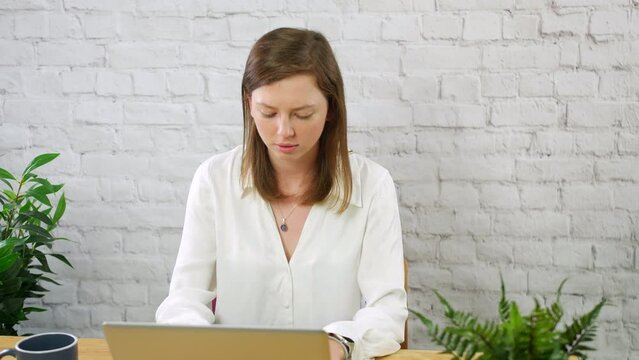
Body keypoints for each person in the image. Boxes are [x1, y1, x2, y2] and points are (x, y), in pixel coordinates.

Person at [155, 27, 407, 360]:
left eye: (303, 115)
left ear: (330, 108)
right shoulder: (214, 180)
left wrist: (342, 343)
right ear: (249, 104)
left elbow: (387, 308)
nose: (284, 131)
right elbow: (184, 299)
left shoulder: (372, 185)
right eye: (268, 112)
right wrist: (201, 343)